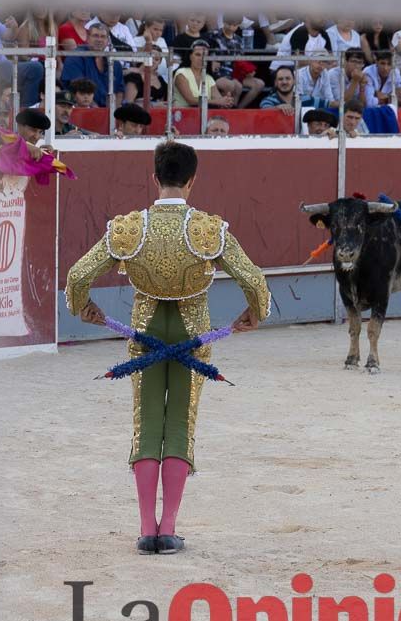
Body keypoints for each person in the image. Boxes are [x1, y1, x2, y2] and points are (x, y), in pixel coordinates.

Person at [65, 139, 270, 555]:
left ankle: (146, 529)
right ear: (192, 181)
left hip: (145, 331)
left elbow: (77, 275)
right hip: (192, 332)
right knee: (179, 423)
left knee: (147, 424)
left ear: (155, 177)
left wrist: (82, 307)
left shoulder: (129, 228)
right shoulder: (208, 229)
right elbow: (253, 280)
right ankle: (169, 528)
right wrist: (255, 313)